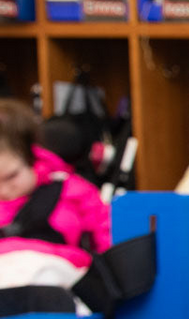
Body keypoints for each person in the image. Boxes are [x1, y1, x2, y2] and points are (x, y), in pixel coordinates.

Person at [0, 98, 111, 291]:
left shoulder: (74, 192)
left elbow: (108, 242)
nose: (3, 190)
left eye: (11, 177)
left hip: (66, 290)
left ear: (32, 158)